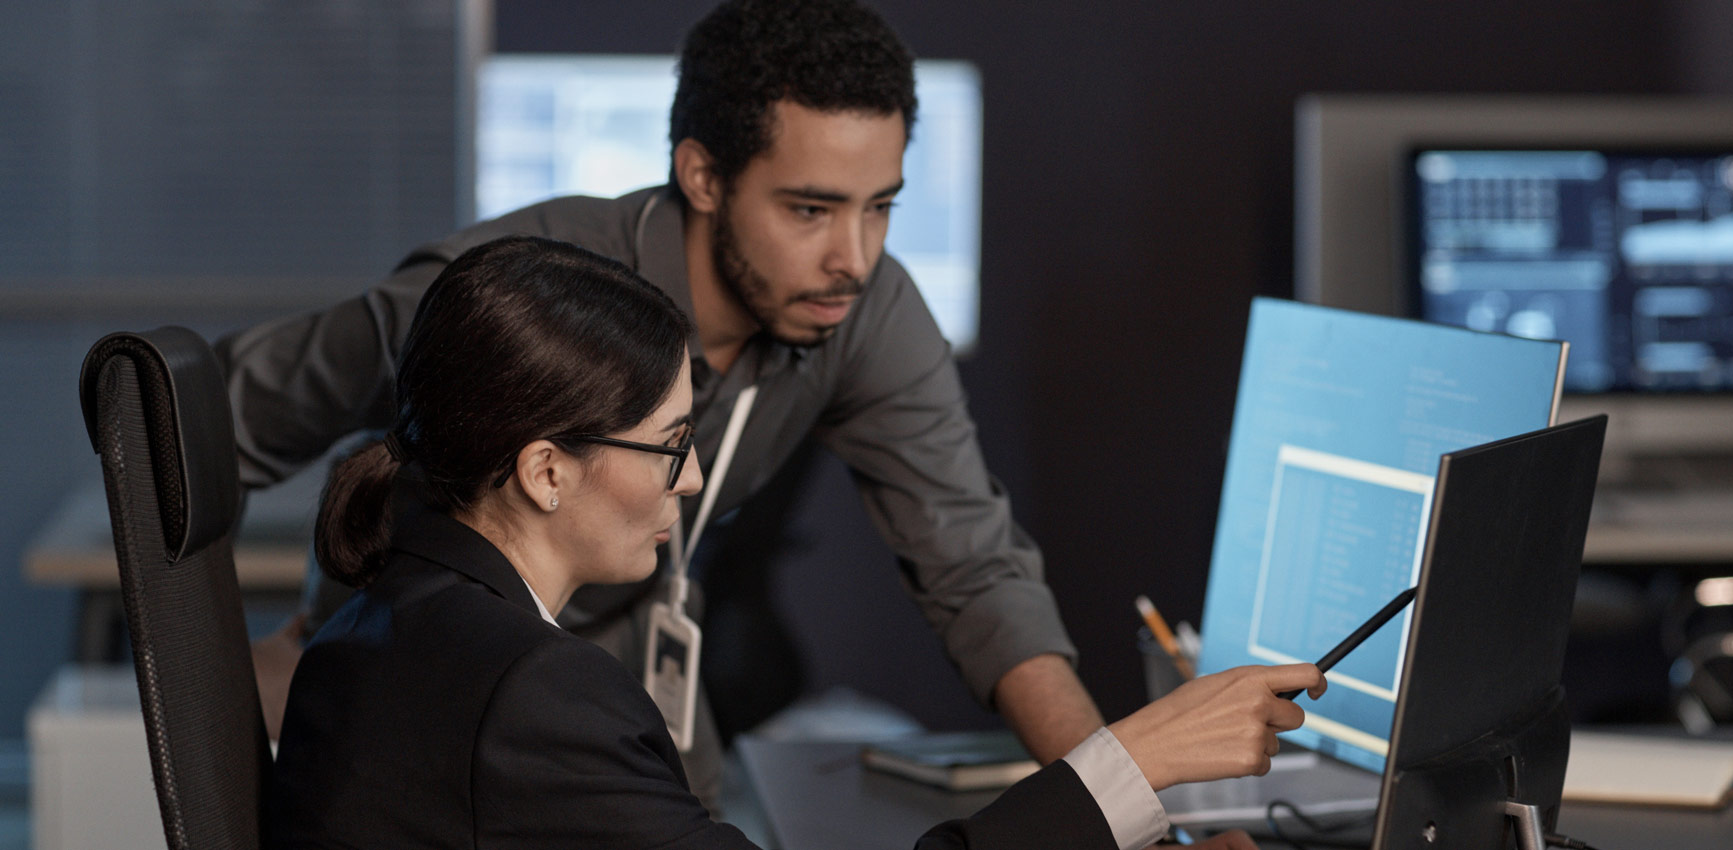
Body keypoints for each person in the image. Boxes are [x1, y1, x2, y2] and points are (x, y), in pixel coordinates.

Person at [223, 0, 1103, 798]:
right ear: (703, 176)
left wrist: (1130, 810)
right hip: (432, 683)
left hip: (627, 672)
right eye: (809, 210)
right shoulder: (517, 291)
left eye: (880, 208)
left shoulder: (867, 313)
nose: (855, 258)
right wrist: (215, 680)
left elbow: (974, 569)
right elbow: (211, 418)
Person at [269, 234, 1326, 850]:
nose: (688, 479)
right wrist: (1133, 760)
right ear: (546, 469)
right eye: (668, 444)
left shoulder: (374, 627)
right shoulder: (532, 694)